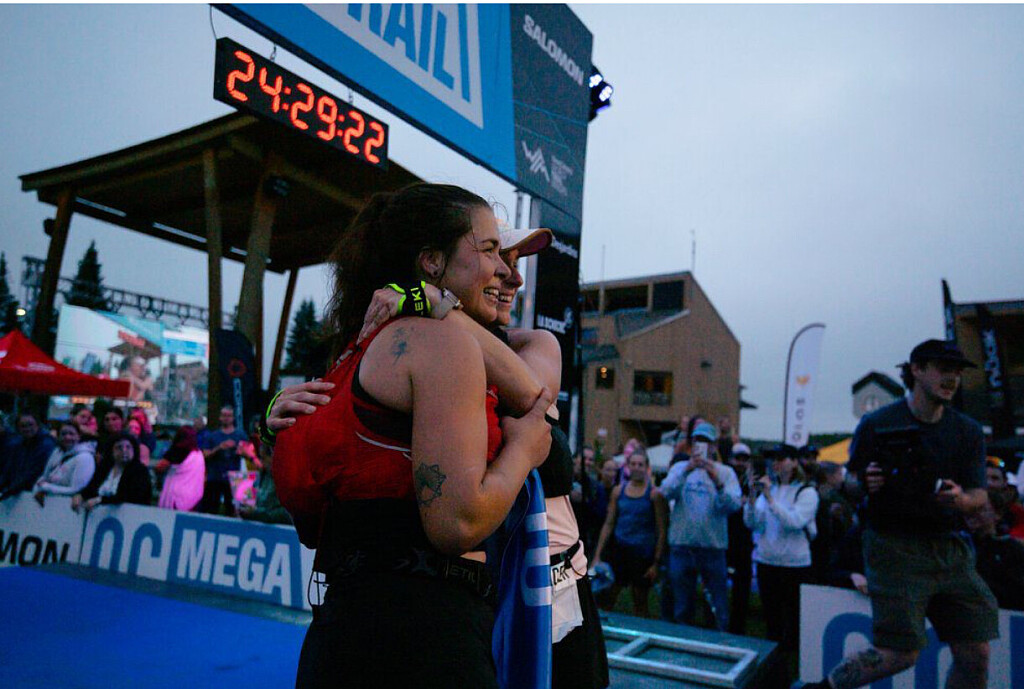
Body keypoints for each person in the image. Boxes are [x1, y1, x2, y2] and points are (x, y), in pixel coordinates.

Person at [268, 183, 553, 689]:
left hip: (338, 633)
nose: (505, 270)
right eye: (490, 250)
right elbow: (456, 523)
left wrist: (438, 303)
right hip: (429, 640)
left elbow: (316, 517)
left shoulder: (359, 350)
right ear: (432, 261)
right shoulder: (440, 345)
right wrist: (524, 452)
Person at [803, 339, 997, 689]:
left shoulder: (967, 430)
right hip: (894, 546)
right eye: (943, 369)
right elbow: (850, 482)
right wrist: (866, 482)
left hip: (949, 547)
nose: (952, 378)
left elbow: (979, 494)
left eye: (957, 372)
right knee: (899, 652)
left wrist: (960, 500)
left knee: (976, 653)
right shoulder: (877, 423)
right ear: (917, 370)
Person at [744, 443, 818, 685]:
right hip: (767, 562)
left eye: (781, 458)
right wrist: (753, 497)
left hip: (795, 566)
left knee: (794, 623)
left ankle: (795, 672)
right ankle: (774, 672)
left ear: (795, 462)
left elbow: (794, 522)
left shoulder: (806, 492)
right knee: (772, 621)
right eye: (773, 459)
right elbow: (753, 523)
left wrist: (769, 499)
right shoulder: (770, 488)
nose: (776, 463)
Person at [659, 421, 741, 630]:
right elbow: (665, 491)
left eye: (706, 442)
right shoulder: (679, 468)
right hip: (682, 547)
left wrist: (717, 481)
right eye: (698, 441)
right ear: (692, 444)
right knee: (682, 605)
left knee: (717, 605)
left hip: (713, 549)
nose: (702, 446)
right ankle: (682, 640)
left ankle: (718, 641)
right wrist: (687, 469)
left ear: (714, 446)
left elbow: (733, 505)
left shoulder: (726, 472)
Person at [592, 448, 668, 617]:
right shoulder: (618, 491)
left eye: (640, 464)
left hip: (642, 554)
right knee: (607, 596)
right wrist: (597, 555)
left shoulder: (654, 495)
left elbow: (661, 529)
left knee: (640, 600)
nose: (636, 468)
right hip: (620, 550)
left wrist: (656, 562)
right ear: (627, 466)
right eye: (633, 464)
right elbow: (609, 523)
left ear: (647, 467)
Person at [72, 432, 152, 511]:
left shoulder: (140, 471)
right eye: (119, 447)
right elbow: (91, 488)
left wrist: (100, 500)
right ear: (111, 451)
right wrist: (80, 495)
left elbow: (129, 497)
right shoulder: (104, 468)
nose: (124, 450)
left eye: (128, 447)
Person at [725, 442, 756, 634]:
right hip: (724, 538)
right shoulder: (724, 478)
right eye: (738, 458)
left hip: (744, 541)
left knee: (742, 589)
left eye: (745, 459)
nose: (741, 463)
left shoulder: (752, 482)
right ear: (731, 459)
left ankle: (738, 627)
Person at [200, 405, 249, 514]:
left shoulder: (241, 435)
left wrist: (239, 450)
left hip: (234, 479)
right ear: (220, 417)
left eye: (229, 416)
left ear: (233, 418)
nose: (226, 418)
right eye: (224, 415)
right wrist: (219, 448)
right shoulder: (212, 436)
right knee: (211, 509)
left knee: (232, 511)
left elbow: (250, 455)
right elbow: (205, 455)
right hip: (215, 478)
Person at [32, 422, 95, 505]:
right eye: (63, 434)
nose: (67, 437)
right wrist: (37, 488)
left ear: (79, 436)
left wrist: (46, 488)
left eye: (71, 434)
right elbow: (45, 476)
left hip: (67, 506)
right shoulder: (56, 452)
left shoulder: (85, 457)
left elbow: (76, 489)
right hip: (50, 503)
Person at [0, 413, 57, 501]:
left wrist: (10, 490)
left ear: (37, 425)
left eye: (30, 425)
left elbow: (34, 471)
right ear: (18, 428)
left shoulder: (47, 445)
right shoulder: (18, 444)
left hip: (35, 492)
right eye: (23, 426)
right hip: (18, 491)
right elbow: (10, 469)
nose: (27, 429)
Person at [156, 426, 205, 512]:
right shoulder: (199, 454)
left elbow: (160, 467)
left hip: (176, 496)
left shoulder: (177, 450)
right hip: (194, 496)